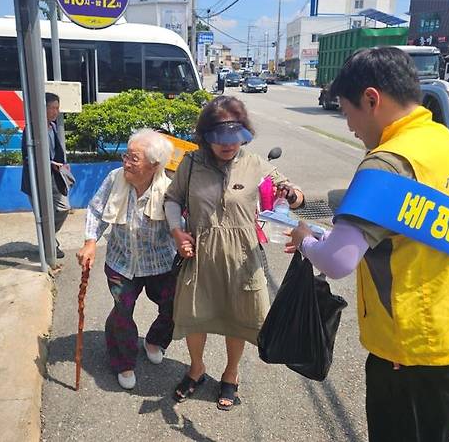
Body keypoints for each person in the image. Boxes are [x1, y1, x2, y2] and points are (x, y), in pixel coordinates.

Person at [286, 48, 449, 442]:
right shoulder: (440, 139)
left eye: (346, 110)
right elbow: (386, 204)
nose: (348, 124)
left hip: (419, 356)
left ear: (372, 99)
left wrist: (304, 239)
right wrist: (310, 203)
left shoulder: (386, 161)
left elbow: (337, 260)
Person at [164, 96, 304, 410]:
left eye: (234, 138)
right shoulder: (191, 163)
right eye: (220, 140)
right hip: (199, 255)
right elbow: (172, 199)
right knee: (194, 316)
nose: (228, 146)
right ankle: (197, 368)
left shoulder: (255, 164)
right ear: (206, 136)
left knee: (237, 318)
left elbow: (294, 195)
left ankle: (231, 373)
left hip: (243, 257)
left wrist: (291, 194)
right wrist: (177, 231)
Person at [76, 129, 177, 390]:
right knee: (122, 311)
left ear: (154, 165)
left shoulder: (170, 187)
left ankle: (154, 340)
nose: (126, 163)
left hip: (161, 263)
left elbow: (183, 222)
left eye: (134, 158)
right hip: (121, 261)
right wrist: (90, 243)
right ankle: (123, 361)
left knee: (174, 305)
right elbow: (96, 210)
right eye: (126, 156)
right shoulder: (115, 178)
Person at [21, 92, 71, 258]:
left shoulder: (53, 126)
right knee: (43, 214)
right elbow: (28, 157)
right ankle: (50, 246)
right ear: (43, 108)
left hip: (54, 178)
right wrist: (50, 163)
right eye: (53, 108)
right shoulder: (32, 129)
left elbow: (56, 151)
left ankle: (49, 237)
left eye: (58, 108)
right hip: (37, 180)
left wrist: (61, 165)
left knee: (64, 208)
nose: (56, 112)